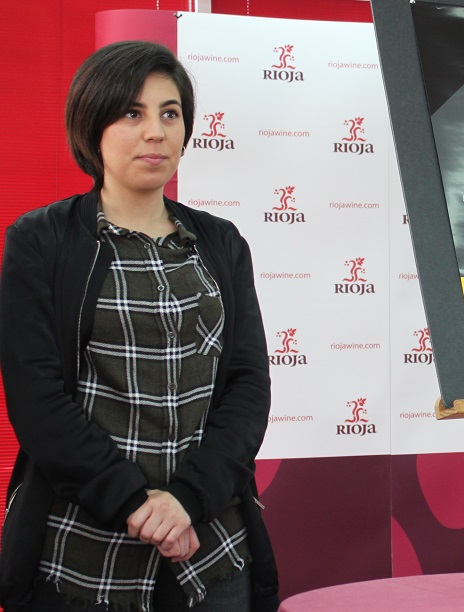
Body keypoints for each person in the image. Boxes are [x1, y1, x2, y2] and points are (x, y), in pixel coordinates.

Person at [0, 41, 278, 611]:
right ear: (91, 125)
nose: (156, 131)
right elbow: (38, 402)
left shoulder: (221, 243)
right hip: (84, 561)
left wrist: (187, 500)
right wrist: (137, 505)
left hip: (214, 551)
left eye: (169, 113)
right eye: (133, 112)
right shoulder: (41, 242)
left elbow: (248, 387)